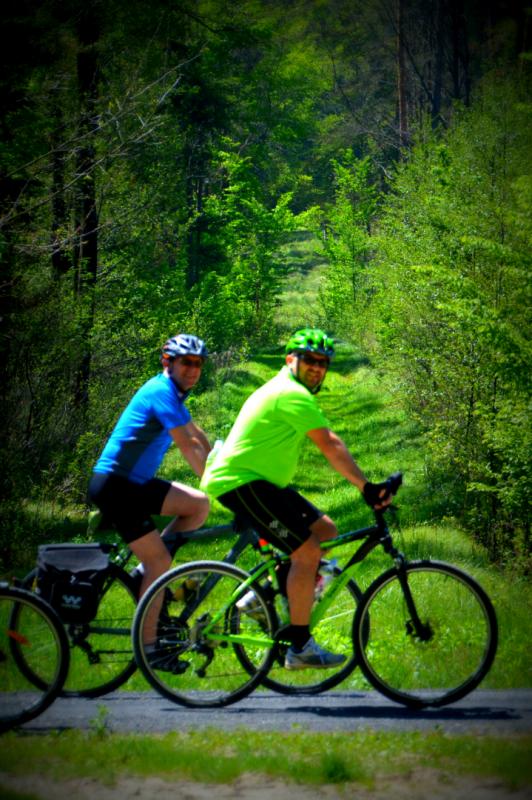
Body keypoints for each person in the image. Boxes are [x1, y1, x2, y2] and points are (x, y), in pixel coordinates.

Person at [200, 327, 394, 670]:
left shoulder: (288, 389)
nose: (317, 367)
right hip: (241, 482)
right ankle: (300, 647)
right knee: (306, 552)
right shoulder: (290, 393)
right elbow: (329, 443)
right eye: (310, 360)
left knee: (325, 531)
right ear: (291, 359)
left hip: (261, 482)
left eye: (323, 362)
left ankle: (264, 598)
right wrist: (366, 487)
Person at [88, 333, 211, 656]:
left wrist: (222, 468)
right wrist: (218, 483)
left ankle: (144, 576)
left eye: (198, 364)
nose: (193, 370)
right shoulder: (161, 391)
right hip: (116, 486)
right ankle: (149, 649)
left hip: (134, 484)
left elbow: (197, 435)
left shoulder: (173, 394)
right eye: (186, 362)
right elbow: (187, 446)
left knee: (198, 505)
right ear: (168, 362)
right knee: (159, 562)